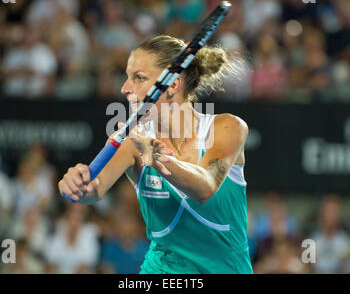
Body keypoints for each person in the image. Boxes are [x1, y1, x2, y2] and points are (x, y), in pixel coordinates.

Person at [58, 35, 252, 274]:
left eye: (139, 78)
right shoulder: (130, 140)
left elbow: (206, 187)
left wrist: (156, 157)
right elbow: (94, 187)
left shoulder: (227, 128)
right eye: (127, 77)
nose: (125, 88)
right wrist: (77, 184)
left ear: (173, 84)